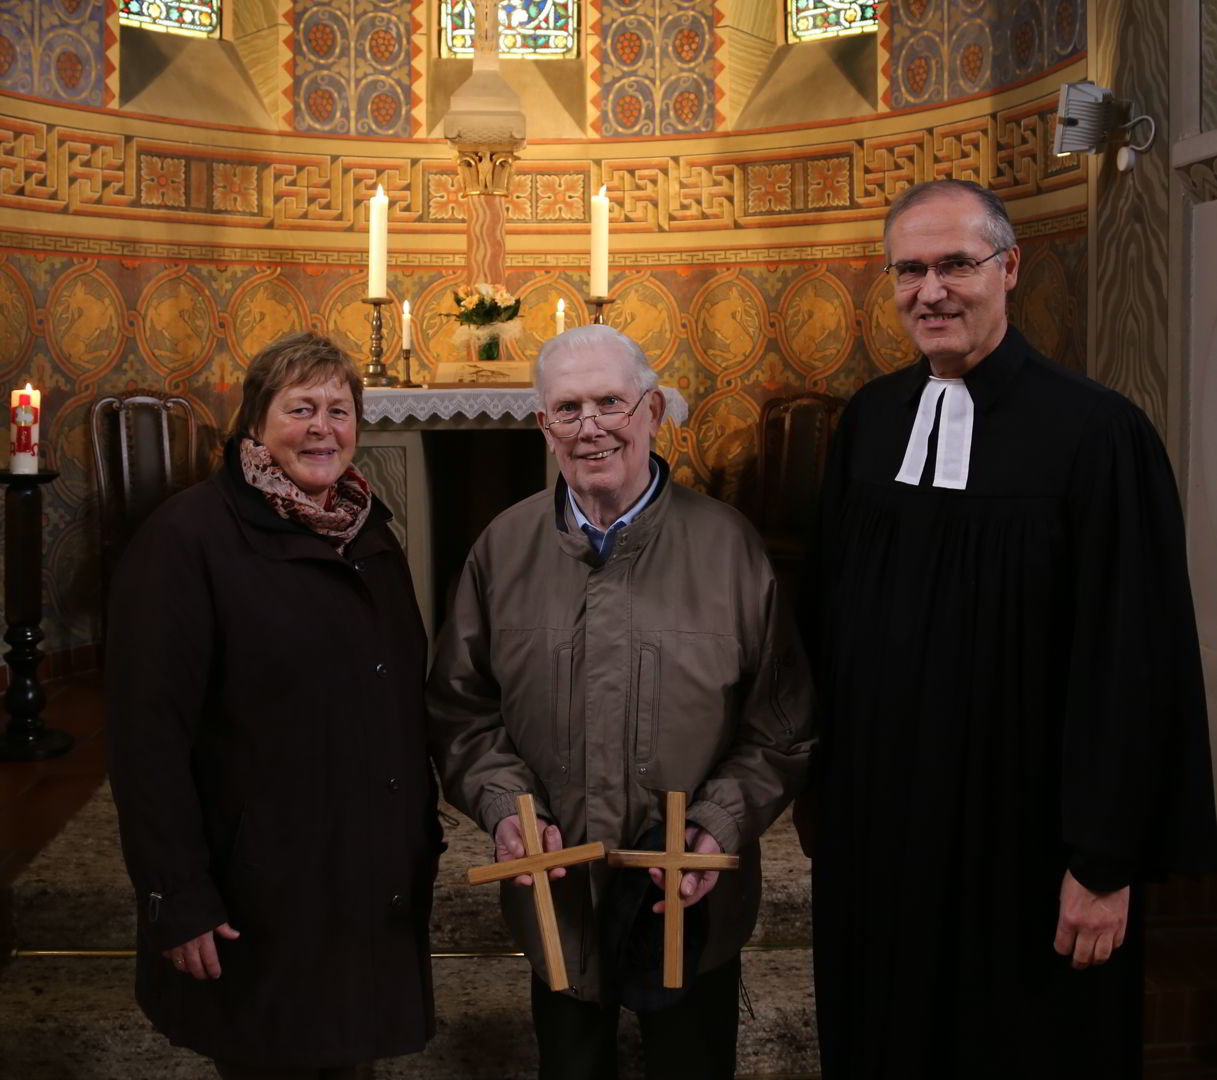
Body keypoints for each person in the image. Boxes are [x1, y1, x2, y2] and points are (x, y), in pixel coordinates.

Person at [804, 178, 1217, 1079]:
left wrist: (1103, 863)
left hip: (1024, 852)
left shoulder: (1098, 434)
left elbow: (1130, 663)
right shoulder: (870, 423)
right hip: (885, 842)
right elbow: (830, 628)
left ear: (1010, 267)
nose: (930, 291)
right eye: (908, 270)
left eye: (956, 264)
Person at [427, 324, 813, 1079]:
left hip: (688, 895)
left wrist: (719, 824)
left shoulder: (729, 548)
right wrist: (505, 805)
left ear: (653, 411)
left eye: (610, 402)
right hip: (557, 896)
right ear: (543, 426)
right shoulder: (501, 550)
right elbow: (459, 710)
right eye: (567, 409)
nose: (591, 427)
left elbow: (781, 725)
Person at [106, 332, 440, 1080]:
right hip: (258, 882)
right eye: (299, 408)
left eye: (339, 408)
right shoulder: (185, 540)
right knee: (275, 1055)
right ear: (254, 423)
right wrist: (176, 892)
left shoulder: (365, 529)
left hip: (355, 872)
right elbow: (145, 738)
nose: (323, 427)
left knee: (344, 1055)